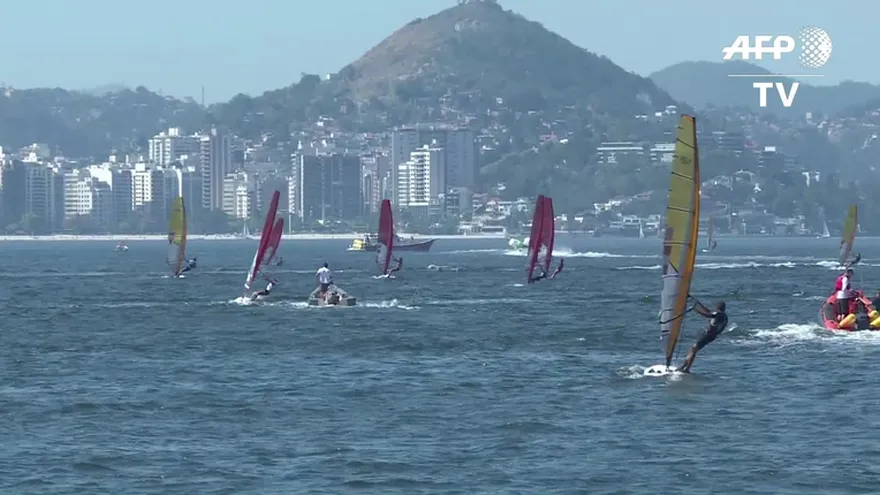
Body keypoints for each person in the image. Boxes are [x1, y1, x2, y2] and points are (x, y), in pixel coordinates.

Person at [677, 300, 728, 373]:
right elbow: (709, 311)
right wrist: (698, 304)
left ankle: (686, 369)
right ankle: (683, 367)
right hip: (711, 336)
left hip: (709, 335)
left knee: (694, 349)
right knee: (693, 349)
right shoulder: (723, 315)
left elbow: (707, 315)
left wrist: (695, 309)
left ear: (718, 307)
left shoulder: (720, 315)